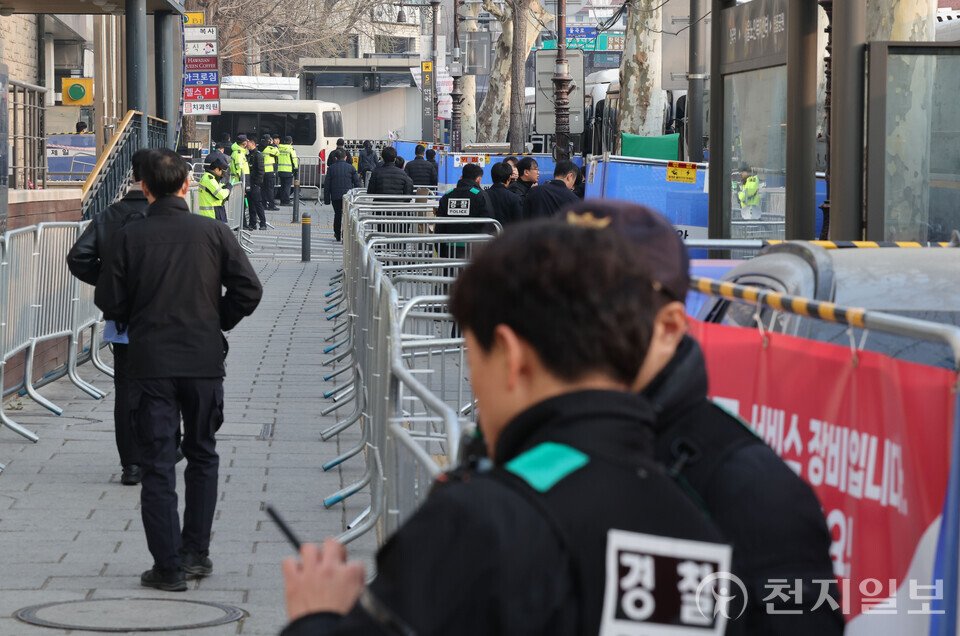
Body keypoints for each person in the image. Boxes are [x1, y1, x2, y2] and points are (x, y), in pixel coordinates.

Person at [280, 221, 729, 635]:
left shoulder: (477, 520)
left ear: (511, 358)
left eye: (473, 360)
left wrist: (317, 616)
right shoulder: (692, 516)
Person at [561, 199, 845, 635]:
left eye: (585, 308)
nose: (546, 330)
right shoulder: (525, 441)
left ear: (669, 325)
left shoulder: (750, 489)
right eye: (534, 301)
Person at [95, 148, 262, 592]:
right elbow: (249, 289)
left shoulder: (131, 236)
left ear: (145, 188)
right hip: (203, 360)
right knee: (203, 453)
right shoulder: (213, 232)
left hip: (150, 362)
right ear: (187, 186)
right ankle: (196, 553)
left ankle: (167, 565)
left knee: (157, 462)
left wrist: (138, 314)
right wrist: (217, 318)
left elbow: (108, 300)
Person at [66, 149, 152, 486]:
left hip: (122, 321)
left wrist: (108, 280)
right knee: (165, 387)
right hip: (166, 321)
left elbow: (78, 257)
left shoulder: (108, 216)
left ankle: (131, 463)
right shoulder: (172, 218)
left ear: (132, 177)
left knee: (127, 391)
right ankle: (164, 448)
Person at [436, 163, 491, 239]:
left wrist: (441, 248)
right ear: (479, 180)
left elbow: (439, 225)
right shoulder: (481, 195)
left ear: (461, 177)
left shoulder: (447, 195)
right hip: (475, 247)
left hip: (449, 246)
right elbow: (488, 224)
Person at [323, 150, 362, 242]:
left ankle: (337, 234)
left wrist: (327, 199)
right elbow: (357, 183)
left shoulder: (331, 168)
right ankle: (345, 234)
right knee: (346, 215)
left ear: (335, 158)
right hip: (347, 197)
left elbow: (327, 184)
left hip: (335, 196)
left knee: (337, 214)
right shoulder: (351, 168)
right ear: (345, 158)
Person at [484, 161, 523, 227]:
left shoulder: (484, 195)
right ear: (509, 178)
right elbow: (519, 222)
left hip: (487, 235)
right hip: (508, 235)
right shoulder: (514, 198)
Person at [197, 156, 231, 222]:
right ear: (216, 169)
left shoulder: (210, 178)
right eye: (222, 172)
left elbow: (216, 189)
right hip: (211, 215)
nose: (222, 175)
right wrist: (228, 190)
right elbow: (221, 194)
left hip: (214, 213)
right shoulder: (209, 179)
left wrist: (224, 187)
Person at [245, 138, 266, 230]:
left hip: (255, 184)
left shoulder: (258, 155)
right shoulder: (249, 155)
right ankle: (252, 223)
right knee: (251, 205)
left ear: (253, 144)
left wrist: (257, 183)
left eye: (248, 145)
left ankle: (263, 223)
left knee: (258, 204)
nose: (247, 147)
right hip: (250, 183)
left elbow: (261, 171)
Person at [277, 136, 299, 206]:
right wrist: (296, 169)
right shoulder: (291, 149)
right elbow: (294, 160)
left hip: (280, 170)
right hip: (288, 171)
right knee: (287, 186)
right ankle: (286, 201)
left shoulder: (279, 148)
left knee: (282, 186)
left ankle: (282, 200)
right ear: (291, 142)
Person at [261, 135, 280, 211]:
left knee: (263, 189)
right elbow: (277, 153)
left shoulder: (260, 147)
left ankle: (264, 205)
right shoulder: (269, 148)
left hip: (262, 172)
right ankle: (271, 205)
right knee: (270, 190)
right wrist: (273, 145)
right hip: (269, 172)